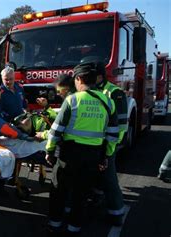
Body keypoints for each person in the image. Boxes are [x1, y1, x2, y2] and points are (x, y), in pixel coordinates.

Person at [46, 63, 119, 236]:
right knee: (81, 193)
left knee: (59, 190)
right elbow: (113, 135)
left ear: (79, 79)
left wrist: (50, 151)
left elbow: (56, 131)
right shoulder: (108, 102)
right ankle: (74, 229)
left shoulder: (73, 100)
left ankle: (54, 225)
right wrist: (105, 156)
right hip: (94, 155)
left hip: (69, 155)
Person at [91, 59, 128, 226]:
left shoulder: (114, 93)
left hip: (107, 144)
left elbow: (121, 125)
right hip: (94, 144)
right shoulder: (93, 90)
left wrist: (109, 148)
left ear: (99, 76)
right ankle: (97, 198)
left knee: (109, 179)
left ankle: (116, 214)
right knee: (97, 175)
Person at [35, 74, 75, 140]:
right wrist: (46, 106)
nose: (57, 94)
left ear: (66, 89)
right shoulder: (77, 99)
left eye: (58, 90)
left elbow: (60, 125)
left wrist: (43, 135)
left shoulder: (70, 101)